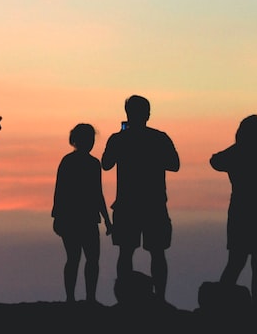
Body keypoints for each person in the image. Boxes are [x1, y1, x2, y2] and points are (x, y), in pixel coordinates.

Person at [101, 95, 180, 301]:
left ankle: (124, 298)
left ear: (128, 114)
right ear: (148, 114)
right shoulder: (159, 138)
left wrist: (122, 139)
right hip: (154, 204)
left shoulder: (119, 139)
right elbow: (174, 164)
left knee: (126, 252)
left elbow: (106, 163)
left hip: (128, 204)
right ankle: (160, 298)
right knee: (157, 252)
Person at [209, 115, 257, 317]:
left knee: (237, 263)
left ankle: (220, 308)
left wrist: (240, 147)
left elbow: (216, 160)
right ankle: (254, 313)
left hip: (242, 214)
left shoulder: (237, 156)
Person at [51, 123, 113, 303]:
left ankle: (82, 298)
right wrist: (107, 221)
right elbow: (62, 191)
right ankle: (82, 298)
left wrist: (107, 221)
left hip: (80, 219)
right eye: (89, 139)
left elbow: (96, 194)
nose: (91, 142)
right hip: (80, 219)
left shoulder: (76, 162)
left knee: (80, 259)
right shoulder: (85, 163)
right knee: (83, 259)